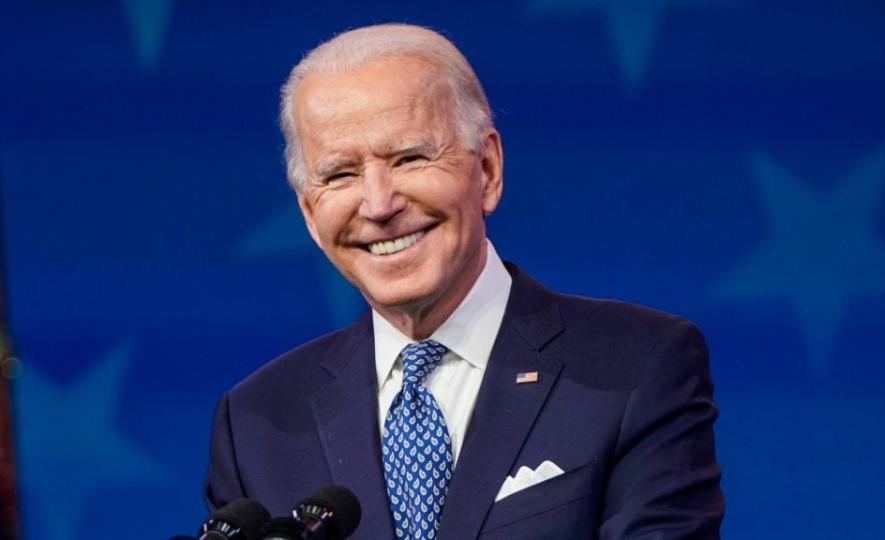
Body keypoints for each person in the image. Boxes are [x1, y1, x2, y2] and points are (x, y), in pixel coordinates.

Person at [204, 23, 724, 539]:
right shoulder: (256, 420)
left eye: (409, 158)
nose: (379, 204)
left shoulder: (635, 365)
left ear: (489, 170)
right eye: (341, 174)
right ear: (310, 215)